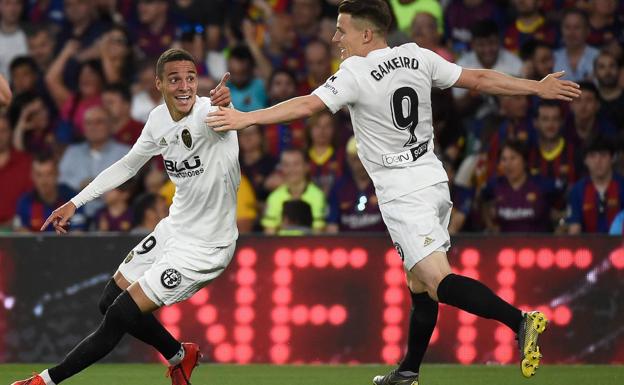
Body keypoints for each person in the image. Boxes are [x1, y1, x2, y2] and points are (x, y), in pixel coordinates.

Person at [207, 1, 581, 383]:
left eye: (342, 29)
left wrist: (245, 118)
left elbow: (307, 106)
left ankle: (520, 322)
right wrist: (537, 87)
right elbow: (480, 79)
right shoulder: (417, 56)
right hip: (433, 179)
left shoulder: (353, 71)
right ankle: (407, 372)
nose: (336, 37)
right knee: (418, 284)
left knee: (437, 281)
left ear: (366, 34)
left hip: (403, 192)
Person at [11, 48, 234, 385]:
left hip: (206, 246)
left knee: (121, 314)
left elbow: (233, 120)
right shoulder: (158, 119)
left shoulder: (211, 114)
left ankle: (45, 381)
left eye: (190, 78)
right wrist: (75, 202)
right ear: (159, 84)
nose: (185, 86)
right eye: (175, 79)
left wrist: (226, 106)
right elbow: (129, 165)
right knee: (109, 301)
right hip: (175, 229)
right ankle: (179, 355)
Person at [13, 154, 87, 232]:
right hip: (35, 244)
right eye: (39, 175)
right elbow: (21, 233)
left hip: (66, 243)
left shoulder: (73, 199)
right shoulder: (24, 202)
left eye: (49, 174)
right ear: (32, 176)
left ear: (57, 174)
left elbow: (78, 233)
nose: (44, 181)